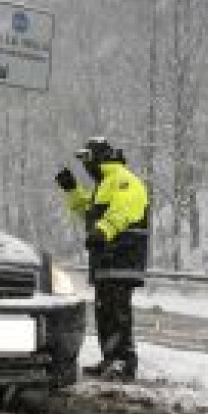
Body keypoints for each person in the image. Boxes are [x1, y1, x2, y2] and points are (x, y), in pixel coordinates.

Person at [55, 137, 148, 381]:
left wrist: (104, 230)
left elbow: (127, 207)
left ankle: (124, 363)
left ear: (99, 158)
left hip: (122, 258)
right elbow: (88, 213)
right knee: (105, 312)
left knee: (117, 312)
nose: (86, 166)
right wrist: (72, 190)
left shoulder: (122, 178)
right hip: (106, 261)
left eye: (87, 159)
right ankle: (110, 359)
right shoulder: (104, 184)